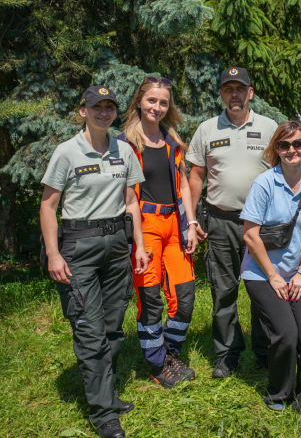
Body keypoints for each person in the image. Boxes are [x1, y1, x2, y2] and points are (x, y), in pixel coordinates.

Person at [40, 85, 150, 438]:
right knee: (90, 330)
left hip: (118, 245)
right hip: (79, 247)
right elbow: (48, 206)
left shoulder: (125, 150)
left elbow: (131, 202)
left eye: (109, 107)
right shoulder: (67, 152)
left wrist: (140, 246)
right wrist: (54, 253)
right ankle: (104, 413)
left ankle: (107, 392)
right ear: (83, 111)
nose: (103, 112)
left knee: (113, 325)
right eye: (96, 107)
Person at [187, 67, 276, 378]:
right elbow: (196, 175)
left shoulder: (269, 127)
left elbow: (284, 172)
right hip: (221, 221)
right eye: (228, 89)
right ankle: (227, 353)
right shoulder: (207, 129)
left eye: (240, 89)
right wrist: (193, 217)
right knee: (223, 290)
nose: (234, 94)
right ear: (221, 94)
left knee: (263, 288)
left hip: (262, 226)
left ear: (250, 93)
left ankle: (266, 351)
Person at [241, 120, 301, 413]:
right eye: (285, 144)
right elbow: (250, 234)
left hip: (300, 272)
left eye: (298, 143)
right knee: (286, 334)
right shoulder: (264, 183)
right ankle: (279, 393)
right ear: (276, 149)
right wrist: (275, 277)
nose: (292, 150)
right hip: (262, 273)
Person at [118, 76, 199, 388]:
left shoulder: (172, 142)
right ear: (139, 101)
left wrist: (191, 224)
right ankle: (155, 363)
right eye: (151, 100)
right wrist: (134, 241)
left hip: (175, 226)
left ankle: (171, 354)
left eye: (163, 102)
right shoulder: (124, 144)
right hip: (145, 228)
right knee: (150, 298)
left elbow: (182, 186)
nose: (157, 107)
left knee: (185, 296)